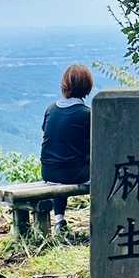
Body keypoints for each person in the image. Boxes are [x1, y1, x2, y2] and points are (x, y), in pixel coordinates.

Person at [40, 63, 93, 232]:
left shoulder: (51, 109)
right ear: (87, 87)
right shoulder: (87, 114)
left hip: (48, 172)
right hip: (76, 174)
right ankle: (100, 217)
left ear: (64, 85)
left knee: (63, 162)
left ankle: (59, 219)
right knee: (78, 167)